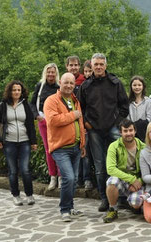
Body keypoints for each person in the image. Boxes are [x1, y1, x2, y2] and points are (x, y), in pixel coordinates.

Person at [78, 53, 130, 212]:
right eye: (96, 64)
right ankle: (104, 199)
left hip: (113, 129)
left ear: (105, 65)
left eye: (101, 64)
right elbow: (80, 108)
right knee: (100, 166)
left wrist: (117, 123)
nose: (99, 67)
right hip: (94, 131)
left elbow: (124, 106)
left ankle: (121, 197)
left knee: (120, 164)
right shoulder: (85, 86)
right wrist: (86, 124)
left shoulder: (115, 83)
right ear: (91, 66)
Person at [44, 73, 87, 222]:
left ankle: (71, 207)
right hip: (60, 148)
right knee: (68, 177)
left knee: (73, 179)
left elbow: (79, 124)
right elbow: (53, 120)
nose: (69, 86)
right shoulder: (51, 100)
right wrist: (73, 115)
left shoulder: (75, 100)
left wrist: (82, 143)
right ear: (60, 83)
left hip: (75, 147)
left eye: (71, 83)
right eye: (66, 82)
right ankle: (64, 210)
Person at [0, 80, 38, 206]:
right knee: (13, 171)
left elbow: (30, 125)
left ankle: (29, 195)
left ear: (22, 91)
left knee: (25, 170)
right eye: (14, 90)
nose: (17, 92)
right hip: (9, 143)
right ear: (9, 92)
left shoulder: (25, 105)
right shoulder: (3, 105)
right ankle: (16, 195)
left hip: (24, 141)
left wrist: (33, 142)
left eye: (19, 90)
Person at [102, 119, 146, 223]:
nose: (128, 133)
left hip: (137, 180)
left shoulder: (143, 147)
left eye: (130, 130)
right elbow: (110, 169)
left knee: (136, 204)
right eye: (125, 131)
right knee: (111, 182)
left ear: (135, 131)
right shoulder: (114, 146)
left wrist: (139, 181)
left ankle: (131, 204)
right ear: (120, 132)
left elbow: (148, 170)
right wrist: (131, 180)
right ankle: (113, 209)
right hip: (122, 179)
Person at [30, 63, 61, 190]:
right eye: (48, 72)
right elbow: (32, 104)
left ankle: (61, 177)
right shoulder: (40, 86)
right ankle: (52, 177)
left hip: (57, 121)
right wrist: (37, 116)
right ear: (45, 73)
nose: (50, 74)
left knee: (59, 148)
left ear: (56, 73)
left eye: (53, 72)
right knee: (49, 150)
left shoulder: (60, 86)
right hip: (43, 120)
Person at [66, 55, 92, 190]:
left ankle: (86, 178)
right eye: (71, 65)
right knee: (73, 153)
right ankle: (76, 179)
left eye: (76, 65)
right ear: (67, 67)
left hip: (83, 122)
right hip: (69, 123)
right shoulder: (64, 82)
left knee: (84, 152)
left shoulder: (84, 81)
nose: (73, 67)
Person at [128, 75, 151, 142]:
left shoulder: (148, 101)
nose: (137, 87)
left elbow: (150, 118)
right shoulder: (127, 102)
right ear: (131, 86)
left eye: (139, 85)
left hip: (145, 132)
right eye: (134, 85)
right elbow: (127, 118)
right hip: (131, 132)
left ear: (143, 86)